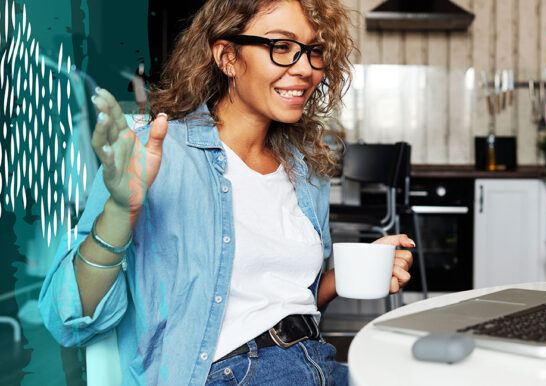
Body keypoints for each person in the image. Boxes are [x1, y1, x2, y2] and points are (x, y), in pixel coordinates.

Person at [38, 0, 414, 384]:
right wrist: (120, 210)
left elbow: (280, 303)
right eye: (281, 47)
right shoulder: (155, 154)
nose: (305, 68)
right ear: (227, 57)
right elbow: (67, 320)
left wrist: (347, 275)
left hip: (316, 362)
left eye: (314, 51)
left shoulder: (305, 170)